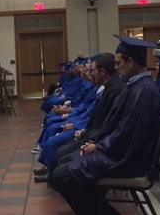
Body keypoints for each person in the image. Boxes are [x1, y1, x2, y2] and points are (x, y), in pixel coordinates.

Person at [51, 35, 160, 215]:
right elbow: (119, 129)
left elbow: (128, 134)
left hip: (128, 159)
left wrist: (98, 147)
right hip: (120, 152)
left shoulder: (143, 91)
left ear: (131, 62)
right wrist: (96, 144)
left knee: (62, 174)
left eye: (119, 63)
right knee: (66, 164)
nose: (117, 67)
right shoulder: (137, 87)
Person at [32, 53, 125, 182]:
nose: (87, 73)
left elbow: (103, 123)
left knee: (57, 146)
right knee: (60, 146)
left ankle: (53, 173)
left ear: (102, 72)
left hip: (92, 135)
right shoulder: (104, 89)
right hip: (85, 127)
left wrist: (79, 129)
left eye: (91, 70)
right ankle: (50, 169)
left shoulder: (113, 91)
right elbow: (87, 110)